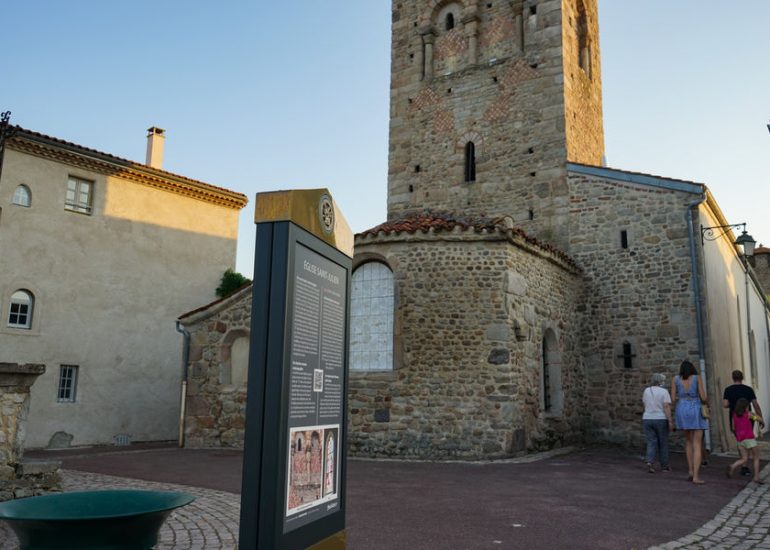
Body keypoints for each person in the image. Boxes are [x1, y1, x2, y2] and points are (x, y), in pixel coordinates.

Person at [671, 360, 709, 484]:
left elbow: (672, 398)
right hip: (695, 408)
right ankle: (696, 477)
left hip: (682, 407)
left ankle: (690, 471)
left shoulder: (675, 379)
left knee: (688, 441)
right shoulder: (697, 378)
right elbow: (703, 397)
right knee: (697, 443)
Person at [723, 370, 765, 476]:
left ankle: (742, 463)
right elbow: (755, 404)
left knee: (741, 440)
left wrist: (732, 404)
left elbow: (725, 404)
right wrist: (761, 418)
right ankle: (744, 467)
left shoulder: (728, 390)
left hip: (734, 417)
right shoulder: (748, 390)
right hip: (748, 418)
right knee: (749, 438)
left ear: (733, 378)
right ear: (742, 378)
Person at [726, 397, 765, 484]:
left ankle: (733, 466)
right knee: (756, 457)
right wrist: (761, 422)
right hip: (750, 439)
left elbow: (733, 428)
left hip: (740, 440)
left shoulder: (734, 415)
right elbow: (759, 419)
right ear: (746, 407)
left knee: (744, 458)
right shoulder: (748, 414)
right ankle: (756, 477)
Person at [642, 373, 673, 473]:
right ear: (661, 381)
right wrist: (670, 420)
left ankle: (649, 461)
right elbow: (666, 406)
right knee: (663, 443)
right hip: (660, 418)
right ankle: (664, 465)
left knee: (651, 441)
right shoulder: (664, 392)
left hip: (647, 418)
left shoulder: (646, 390)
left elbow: (644, 403)